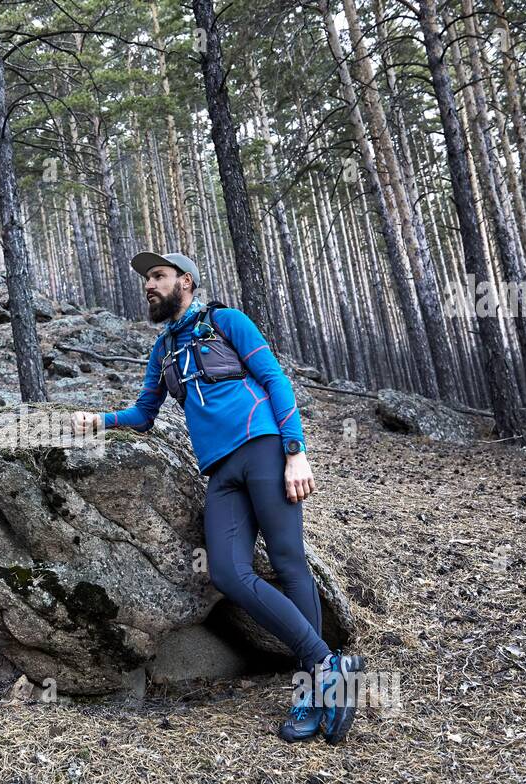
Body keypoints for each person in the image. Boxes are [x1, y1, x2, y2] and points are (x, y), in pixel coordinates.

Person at [70, 251, 364, 744]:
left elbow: (275, 379)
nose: (149, 285)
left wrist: (296, 451)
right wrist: (102, 420)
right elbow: (144, 413)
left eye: (158, 276)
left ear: (185, 281)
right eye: (146, 278)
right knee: (227, 570)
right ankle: (327, 666)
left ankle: (316, 690)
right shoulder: (163, 351)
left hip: (266, 447)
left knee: (290, 562)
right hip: (220, 471)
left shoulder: (226, 321)